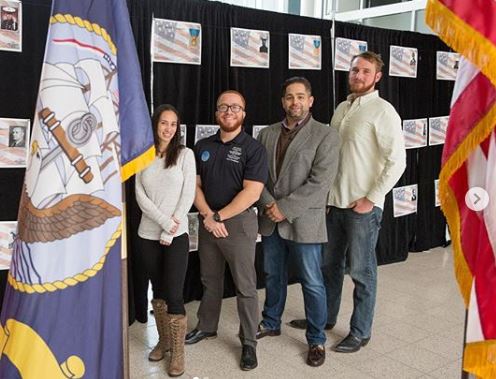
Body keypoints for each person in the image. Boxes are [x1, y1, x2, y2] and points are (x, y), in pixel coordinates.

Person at [290, 51, 406, 353]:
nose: (358, 75)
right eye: (354, 70)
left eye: (365, 71)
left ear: (377, 77)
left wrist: (372, 198)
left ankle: (360, 331)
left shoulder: (383, 111)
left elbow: (398, 162)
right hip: (334, 205)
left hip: (361, 209)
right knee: (329, 267)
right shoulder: (342, 108)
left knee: (362, 273)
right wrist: (327, 198)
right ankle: (324, 319)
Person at [256, 77, 340, 367]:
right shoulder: (265, 134)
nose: (295, 102)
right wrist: (269, 204)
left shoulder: (326, 135)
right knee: (271, 275)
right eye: (290, 97)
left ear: (311, 100)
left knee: (312, 281)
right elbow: (257, 177)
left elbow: (320, 183)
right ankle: (270, 321)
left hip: (304, 220)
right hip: (270, 217)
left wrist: (284, 208)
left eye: (301, 97)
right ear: (283, 102)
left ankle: (316, 339)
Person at [185, 90, 268, 371]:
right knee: (210, 279)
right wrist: (209, 216)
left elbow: (253, 192)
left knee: (245, 285)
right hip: (209, 221)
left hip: (238, 224)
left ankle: (249, 342)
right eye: (223, 107)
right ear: (216, 113)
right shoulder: (202, 145)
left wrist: (219, 216)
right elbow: (194, 186)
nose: (228, 111)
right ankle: (207, 327)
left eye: (235, 107)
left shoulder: (253, 149)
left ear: (244, 113)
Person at [135, 104, 196, 377]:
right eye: (164, 123)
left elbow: (188, 194)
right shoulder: (143, 156)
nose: (168, 128)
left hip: (176, 235)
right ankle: (163, 341)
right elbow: (139, 196)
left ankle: (178, 352)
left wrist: (171, 227)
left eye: (173, 124)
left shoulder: (185, 155)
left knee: (173, 294)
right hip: (147, 234)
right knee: (158, 292)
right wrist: (162, 223)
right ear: (155, 124)